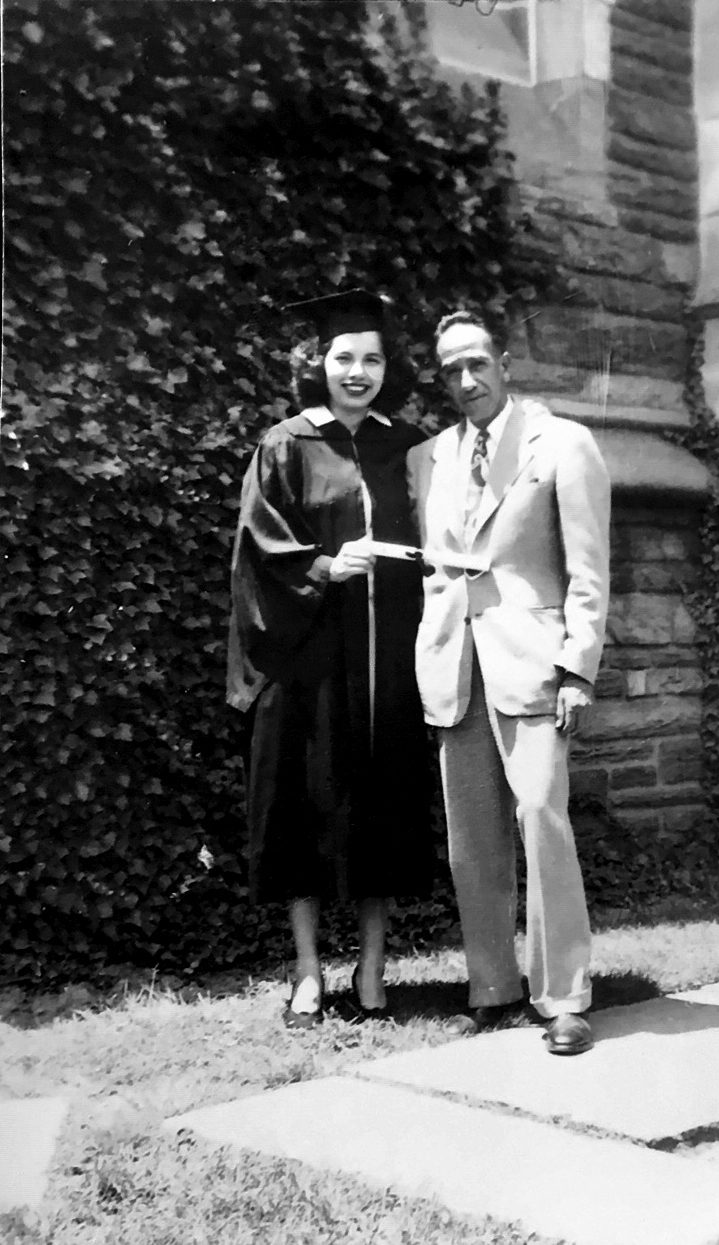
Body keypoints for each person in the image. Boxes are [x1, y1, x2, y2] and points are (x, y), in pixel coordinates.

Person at [407, 308, 610, 1055]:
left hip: (533, 666)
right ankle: (491, 987)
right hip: (455, 668)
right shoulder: (427, 457)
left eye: (477, 364)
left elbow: (589, 570)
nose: (466, 381)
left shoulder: (562, 443)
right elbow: (436, 567)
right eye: (451, 370)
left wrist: (577, 669)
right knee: (472, 840)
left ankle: (563, 997)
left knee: (541, 821)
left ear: (505, 362)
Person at [227, 290, 432, 1027]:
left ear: (387, 367)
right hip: (309, 664)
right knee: (302, 815)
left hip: (384, 666)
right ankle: (309, 970)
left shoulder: (403, 445)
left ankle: (373, 968)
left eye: (371, 358)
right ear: (319, 363)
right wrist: (323, 568)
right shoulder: (286, 443)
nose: (358, 371)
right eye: (344, 357)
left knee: (381, 811)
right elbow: (259, 550)